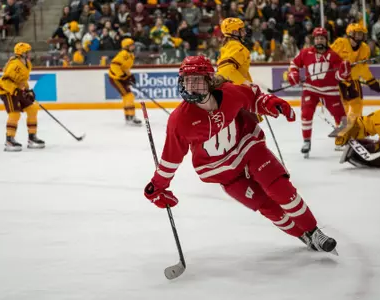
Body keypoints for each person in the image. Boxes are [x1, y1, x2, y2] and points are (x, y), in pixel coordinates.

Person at [143, 56, 338, 253]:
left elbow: (254, 98)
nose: (190, 86)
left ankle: (314, 231)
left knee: (280, 188)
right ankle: (302, 235)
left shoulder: (229, 93)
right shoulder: (180, 120)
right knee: (267, 206)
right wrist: (156, 187)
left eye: (197, 80)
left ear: (209, 81)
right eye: (186, 80)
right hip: (222, 170)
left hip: (248, 147)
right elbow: (171, 158)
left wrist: (270, 102)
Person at [288, 27, 350, 157]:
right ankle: (306, 141)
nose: (319, 40)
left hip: (330, 91)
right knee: (306, 114)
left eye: (322, 38)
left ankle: (342, 140)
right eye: (317, 38)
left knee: (342, 118)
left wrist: (344, 72)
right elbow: (294, 63)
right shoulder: (305, 53)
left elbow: (338, 76)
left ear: (326, 40)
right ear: (314, 40)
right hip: (310, 90)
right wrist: (293, 73)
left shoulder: (333, 56)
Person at [0, 42, 44, 152]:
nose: (30, 54)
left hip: (18, 91)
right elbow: (5, 81)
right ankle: (9, 139)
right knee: (14, 113)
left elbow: (22, 81)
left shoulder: (27, 63)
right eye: (28, 52)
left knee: (32, 109)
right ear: (22, 53)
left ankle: (32, 137)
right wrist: (15, 90)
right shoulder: (14, 64)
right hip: (7, 91)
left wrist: (28, 91)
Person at [331, 23, 380, 118]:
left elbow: (363, 68)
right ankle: (342, 125)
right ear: (350, 33)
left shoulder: (365, 48)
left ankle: (356, 123)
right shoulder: (340, 43)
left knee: (357, 103)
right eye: (358, 33)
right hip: (338, 80)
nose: (360, 36)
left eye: (361, 34)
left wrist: (371, 81)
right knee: (343, 104)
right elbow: (328, 57)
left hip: (353, 79)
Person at [108, 38, 141, 126]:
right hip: (116, 78)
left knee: (129, 95)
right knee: (127, 95)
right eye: (131, 45)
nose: (133, 46)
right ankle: (130, 117)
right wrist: (122, 76)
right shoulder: (123, 54)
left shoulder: (130, 55)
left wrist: (130, 76)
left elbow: (125, 67)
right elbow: (114, 65)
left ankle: (130, 116)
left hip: (121, 78)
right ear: (126, 46)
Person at [216, 17, 252, 85]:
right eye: (242, 30)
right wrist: (245, 83)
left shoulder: (226, 46)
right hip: (236, 90)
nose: (245, 33)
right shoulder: (238, 48)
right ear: (235, 32)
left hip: (227, 88)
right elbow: (226, 69)